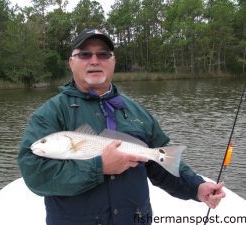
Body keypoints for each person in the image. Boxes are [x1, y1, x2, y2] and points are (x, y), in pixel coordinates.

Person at [18, 28, 225, 225]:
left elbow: (161, 160)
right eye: (85, 55)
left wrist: (195, 187)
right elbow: (35, 174)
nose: (94, 61)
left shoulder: (137, 111)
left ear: (113, 61)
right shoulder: (50, 114)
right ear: (71, 62)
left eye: (103, 54)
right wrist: (99, 168)